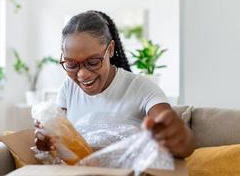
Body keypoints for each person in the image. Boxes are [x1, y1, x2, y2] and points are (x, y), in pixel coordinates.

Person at [35, 10, 195, 158]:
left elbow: (184, 144)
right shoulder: (68, 89)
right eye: (71, 64)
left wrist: (178, 135)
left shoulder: (141, 87)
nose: (82, 74)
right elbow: (56, 141)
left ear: (110, 49)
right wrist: (46, 141)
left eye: (92, 62)